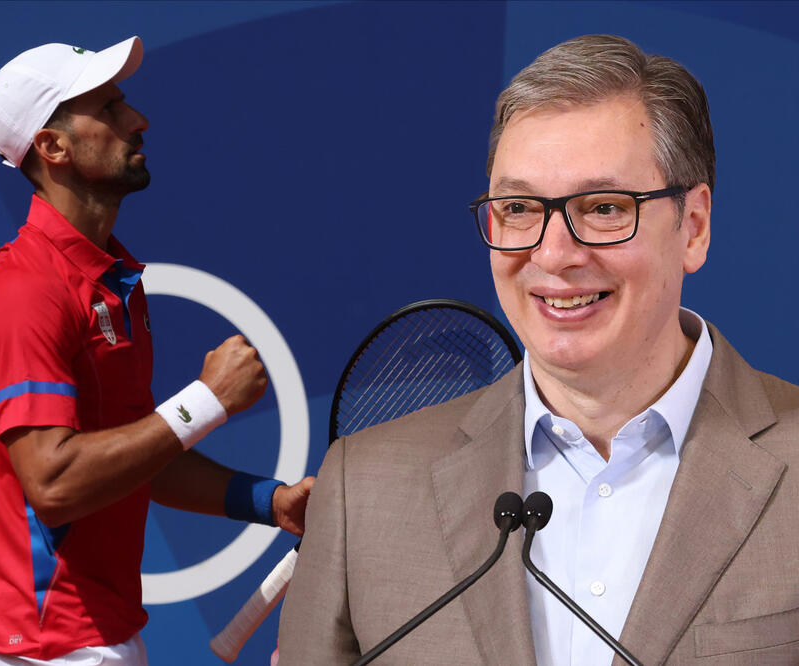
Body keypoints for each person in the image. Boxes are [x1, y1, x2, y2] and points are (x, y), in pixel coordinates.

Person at [278, 34, 798, 665]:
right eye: (521, 208)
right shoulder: (365, 486)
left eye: (604, 207)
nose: (553, 254)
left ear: (694, 227)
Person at [0, 36, 314, 666]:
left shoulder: (111, 282)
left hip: (94, 636)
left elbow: (134, 455)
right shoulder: (26, 291)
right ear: (53, 147)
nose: (138, 119)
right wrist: (204, 402)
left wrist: (268, 501)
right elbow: (55, 480)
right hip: (46, 649)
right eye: (111, 107)